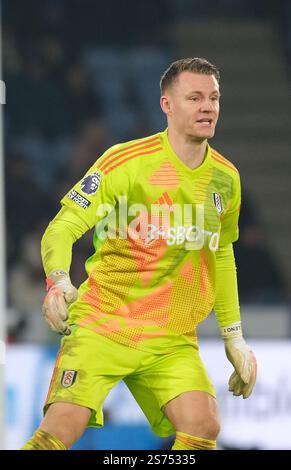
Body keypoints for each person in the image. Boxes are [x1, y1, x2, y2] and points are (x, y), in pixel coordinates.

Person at [22, 58, 257, 451]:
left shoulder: (226, 178)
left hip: (171, 337)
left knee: (202, 426)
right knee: (58, 433)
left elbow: (221, 255)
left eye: (214, 98)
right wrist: (58, 281)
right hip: (105, 321)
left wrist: (234, 337)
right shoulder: (125, 162)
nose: (208, 107)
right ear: (167, 105)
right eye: (195, 97)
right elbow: (62, 227)